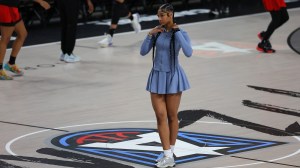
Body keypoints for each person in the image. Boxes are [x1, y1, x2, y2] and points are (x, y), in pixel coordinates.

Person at [140, 3, 192, 168]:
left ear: (170, 15)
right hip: (156, 76)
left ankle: (170, 152)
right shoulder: (157, 32)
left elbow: (189, 52)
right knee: (160, 116)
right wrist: (149, 34)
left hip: (173, 77)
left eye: (162, 15)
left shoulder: (181, 33)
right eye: (158, 15)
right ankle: (167, 154)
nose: (159, 18)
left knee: (172, 116)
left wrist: (178, 33)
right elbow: (143, 52)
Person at [0, 0, 50, 80]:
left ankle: (11, 64)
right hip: (5, 6)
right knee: (5, 38)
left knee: (22, 34)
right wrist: (40, 1)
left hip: (13, 7)